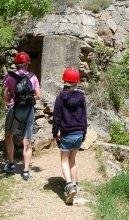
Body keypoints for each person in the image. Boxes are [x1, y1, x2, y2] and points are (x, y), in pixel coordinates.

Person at [1, 51, 41, 180]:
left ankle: (11, 164)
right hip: (29, 111)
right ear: (27, 64)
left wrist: (10, 100)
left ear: (16, 64)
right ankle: (26, 171)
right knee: (27, 141)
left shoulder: (8, 77)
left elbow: (5, 96)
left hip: (14, 110)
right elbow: (39, 96)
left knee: (9, 136)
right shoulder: (33, 77)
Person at [52, 67, 87, 205]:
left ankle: (69, 186)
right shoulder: (82, 97)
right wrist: (84, 133)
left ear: (64, 80)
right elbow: (84, 117)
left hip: (67, 134)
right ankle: (75, 184)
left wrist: (55, 134)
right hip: (79, 133)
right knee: (73, 160)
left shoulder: (60, 97)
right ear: (77, 81)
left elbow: (57, 118)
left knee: (65, 161)